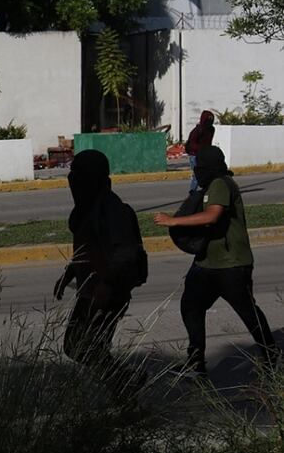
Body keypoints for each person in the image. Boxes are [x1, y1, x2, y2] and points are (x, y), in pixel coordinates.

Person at [155, 145, 279, 377]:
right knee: (190, 306)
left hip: (231, 263)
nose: (197, 171)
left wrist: (173, 222)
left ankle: (271, 357)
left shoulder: (221, 183)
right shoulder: (212, 185)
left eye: (200, 166)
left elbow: (212, 215)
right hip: (207, 262)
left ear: (208, 167)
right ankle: (195, 363)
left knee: (248, 312)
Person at [55, 150, 147, 386]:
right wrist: (70, 273)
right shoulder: (89, 206)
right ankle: (124, 384)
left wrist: (106, 285)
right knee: (80, 345)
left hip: (106, 293)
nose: (72, 179)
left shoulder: (111, 208)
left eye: (79, 173)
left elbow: (125, 253)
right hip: (91, 291)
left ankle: (125, 383)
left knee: (82, 346)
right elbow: (87, 248)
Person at [185, 110, 215, 193]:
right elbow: (192, 144)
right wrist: (201, 148)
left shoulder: (211, 129)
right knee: (197, 174)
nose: (209, 123)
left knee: (207, 173)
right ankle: (192, 192)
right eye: (207, 120)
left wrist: (209, 150)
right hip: (194, 155)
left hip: (204, 155)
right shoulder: (197, 130)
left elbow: (209, 142)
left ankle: (206, 190)